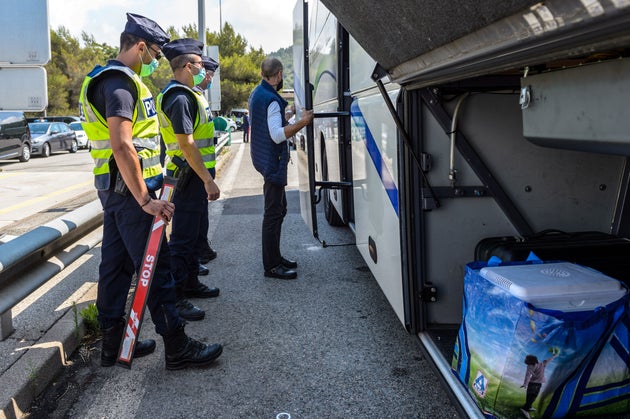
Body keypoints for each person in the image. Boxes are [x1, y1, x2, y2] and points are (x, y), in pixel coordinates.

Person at [79, 13, 222, 369]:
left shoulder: (103, 79)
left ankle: (112, 346)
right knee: (155, 267)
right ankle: (177, 345)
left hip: (113, 191)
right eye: (155, 54)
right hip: (132, 194)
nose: (156, 61)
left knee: (114, 267)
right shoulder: (120, 84)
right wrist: (145, 199)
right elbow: (123, 145)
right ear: (140, 47)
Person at [157, 38, 221, 322]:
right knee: (182, 239)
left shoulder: (189, 93)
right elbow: (187, 144)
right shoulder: (179, 98)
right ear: (186, 65)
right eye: (199, 64)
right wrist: (208, 180)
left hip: (193, 175)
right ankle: (178, 296)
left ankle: (191, 283)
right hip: (188, 176)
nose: (202, 68)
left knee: (193, 234)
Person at [248, 57, 314, 279]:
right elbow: (276, 134)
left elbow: (269, 122)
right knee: (274, 214)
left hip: (263, 159)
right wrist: (302, 122)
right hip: (272, 162)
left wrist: (290, 114)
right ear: (278, 75)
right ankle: (272, 265)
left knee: (279, 210)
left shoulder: (258, 94)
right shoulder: (273, 100)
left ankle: (275, 257)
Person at [194, 56, 220, 276]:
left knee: (201, 215)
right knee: (192, 220)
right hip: (194, 171)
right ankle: (194, 258)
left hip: (203, 169)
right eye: (208, 74)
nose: (210, 78)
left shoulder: (199, 97)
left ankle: (201, 250)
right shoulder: (188, 97)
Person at [520, 352, 557, 417]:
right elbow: (527, 375)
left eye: (526, 359)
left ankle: (528, 407)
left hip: (536, 384)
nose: (525, 360)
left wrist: (554, 356)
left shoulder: (540, 364)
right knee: (531, 397)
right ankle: (525, 409)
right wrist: (525, 384)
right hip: (534, 384)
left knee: (532, 397)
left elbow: (527, 375)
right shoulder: (536, 365)